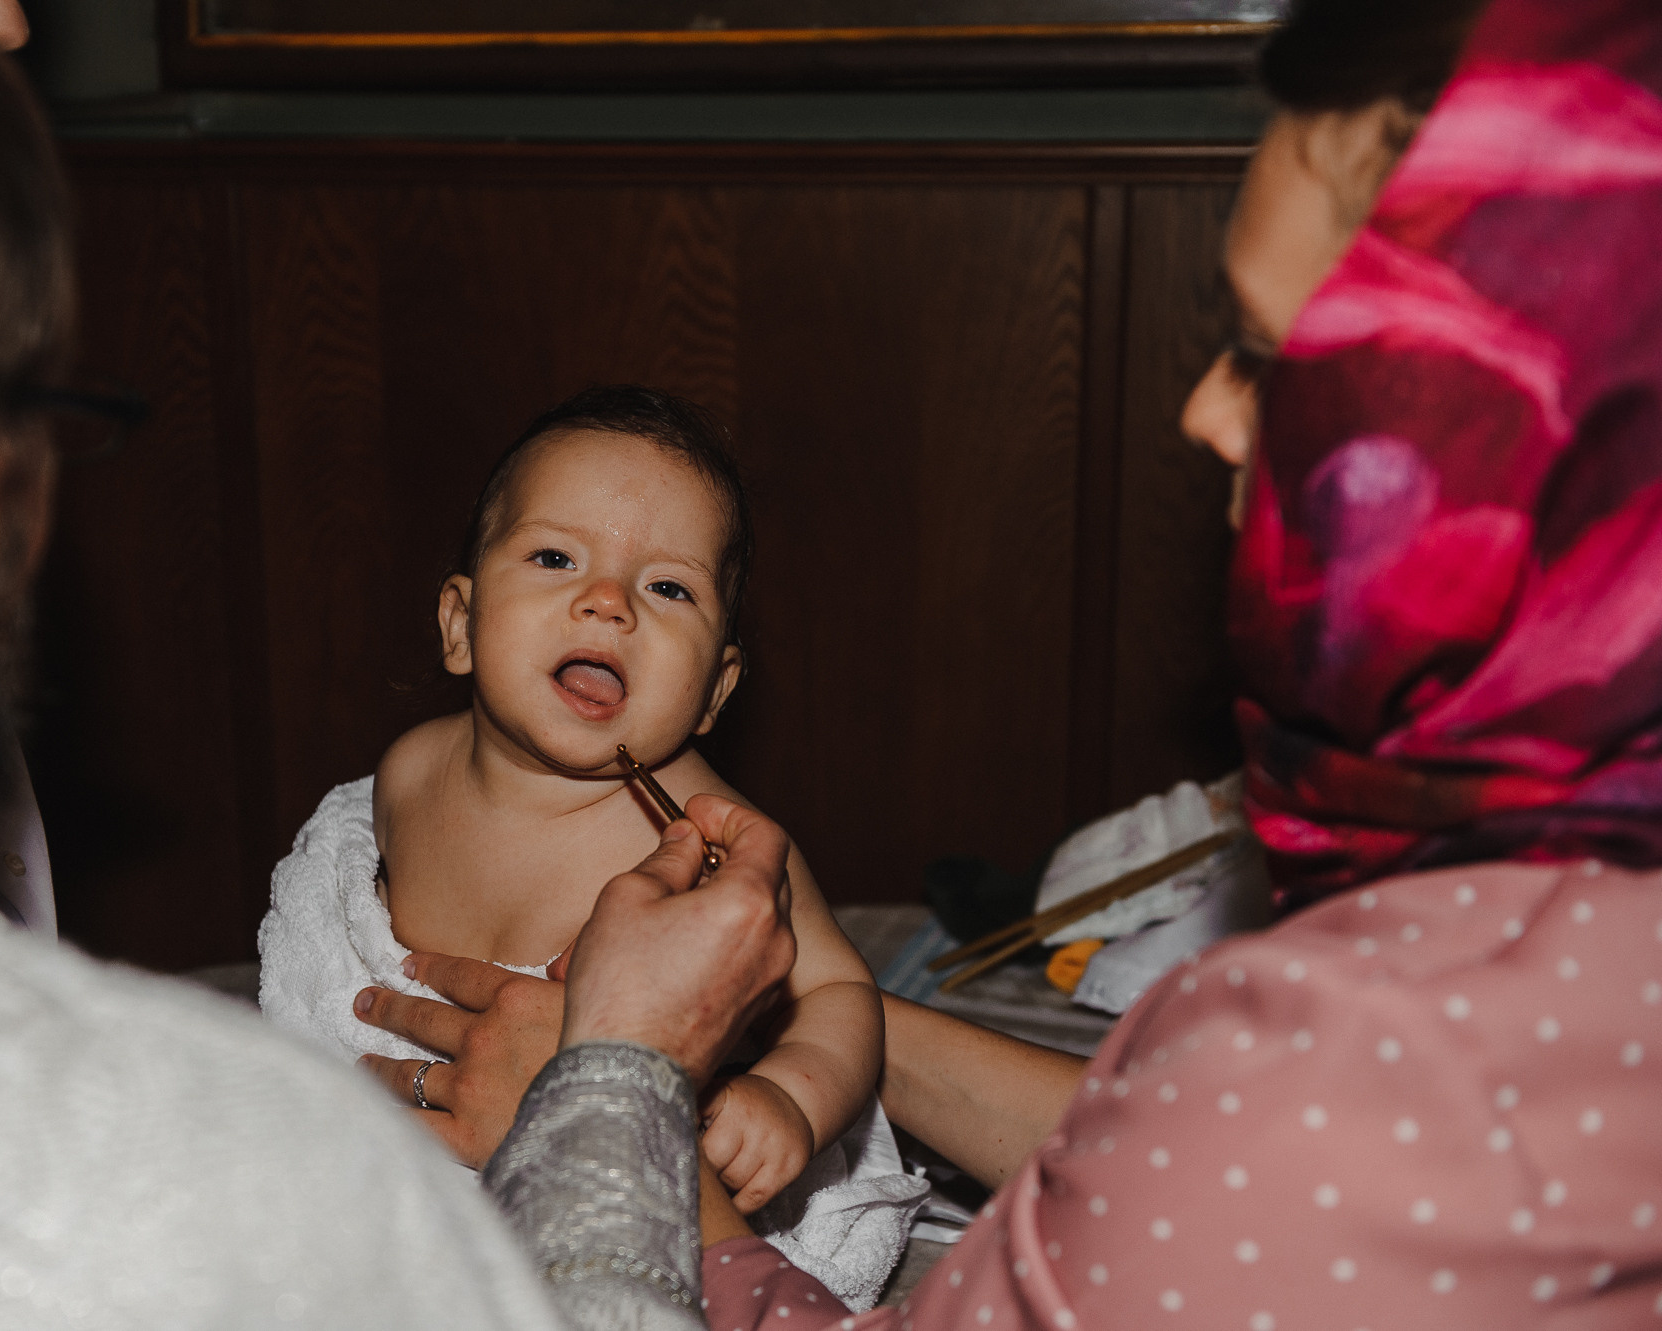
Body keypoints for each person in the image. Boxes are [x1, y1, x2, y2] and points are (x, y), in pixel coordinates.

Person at [356, 0, 1662, 1324]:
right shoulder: (1548, 950)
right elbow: (1197, 1163)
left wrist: (604, 1101)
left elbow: (1273, 1146)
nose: (1203, 412)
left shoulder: (1393, 1065)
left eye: (1273, 362)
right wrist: (811, 1023)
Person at [0, 3, 796, 1327]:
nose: (9, 16)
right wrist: (619, 1078)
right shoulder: (227, 1176)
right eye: (38, 436)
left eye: (666, 588)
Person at [258, 386, 920, 1306]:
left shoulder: (707, 841)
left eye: (668, 587)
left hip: (616, 1174)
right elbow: (349, 951)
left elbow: (842, 991)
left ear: (716, 689)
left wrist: (792, 1100)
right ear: (461, 622)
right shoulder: (406, 774)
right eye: (556, 556)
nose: (607, 602)